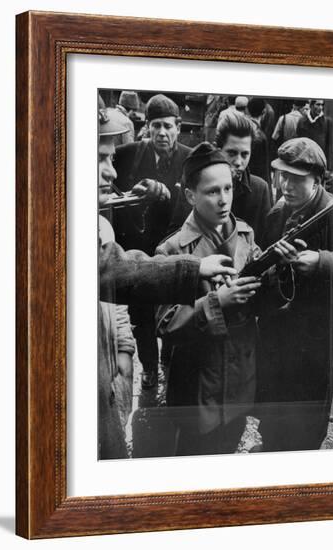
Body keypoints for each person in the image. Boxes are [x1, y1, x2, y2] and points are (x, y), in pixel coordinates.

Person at [97, 110, 237, 459]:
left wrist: (124, 350)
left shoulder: (243, 232)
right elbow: (118, 271)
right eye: (100, 159)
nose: (112, 172)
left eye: (111, 159)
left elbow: (110, 291)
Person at [156, 142, 262, 456]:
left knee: (227, 455)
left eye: (228, 188)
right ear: (190, 196)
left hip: (238, 383)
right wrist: (217, 302)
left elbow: (259, 296)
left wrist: (275, 271)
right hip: (198, 389)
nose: (224, 199)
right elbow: (166, 323)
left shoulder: (245, 235)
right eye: (212, 191)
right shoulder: (173, 250)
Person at [256, 137, 333, 452]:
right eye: (281, 175)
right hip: (279, 335)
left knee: (307, 421)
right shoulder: (277, 214)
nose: (285, 185)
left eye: (296, 179)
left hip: (317, 341)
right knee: (274, 411)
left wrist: (323, 261)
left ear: (318, 180)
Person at [109, 94, 192, 389]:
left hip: (174, 249)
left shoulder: (190, 157)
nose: (162, 133)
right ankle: (149, 368)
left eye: (168, 126)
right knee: (141, 314)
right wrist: (133, 195)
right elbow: (109, 185)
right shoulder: (129, 154)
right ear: (146, 127)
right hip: (139, 251)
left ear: (178, 127)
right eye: (155, 126)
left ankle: (169, 363)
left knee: (175, 309)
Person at [170, 111, 271, 244]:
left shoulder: (260, 189)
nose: (239, 162)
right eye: (232, 153)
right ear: (218, 150)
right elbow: (178, 232)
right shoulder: (197, 181)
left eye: (245, 154)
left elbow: (264, 242)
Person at [296, 99, 333, 170]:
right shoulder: (302, 121)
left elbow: (330, 147)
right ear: (311, 105)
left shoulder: (327, 122)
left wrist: (329, 168)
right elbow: (299, 144)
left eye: (322, 105)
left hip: (320, 163)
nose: (320, 107)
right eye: (318, 104)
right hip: (305, 163)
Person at [246, 97, 271, 185]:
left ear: (248, 110)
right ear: (264, 112)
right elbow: (263, 169)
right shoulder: (260, 136)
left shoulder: (242, 129)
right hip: (256, 183)